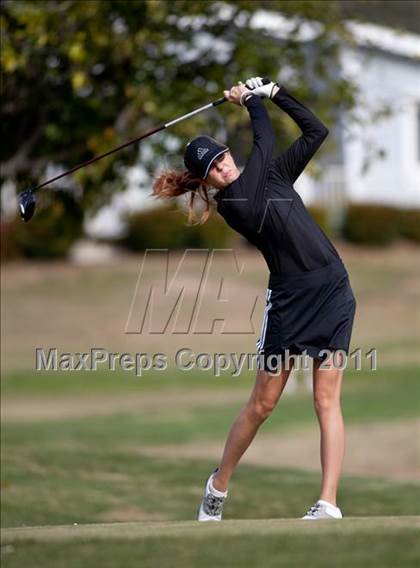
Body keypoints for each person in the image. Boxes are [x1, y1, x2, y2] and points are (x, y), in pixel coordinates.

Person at [152, 76, 357, 521]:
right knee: (263, 404)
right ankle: (218, 486)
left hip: (333, 291)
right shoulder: (236, 202)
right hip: (288, 305)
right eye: (214, 168)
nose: (224, 167)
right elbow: (263, 141)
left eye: (222, 157)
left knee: (326, 400)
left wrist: (276, 92)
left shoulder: (275, 175)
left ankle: (327, 503)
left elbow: (316, 131)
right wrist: (252, 101)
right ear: (206, 179)